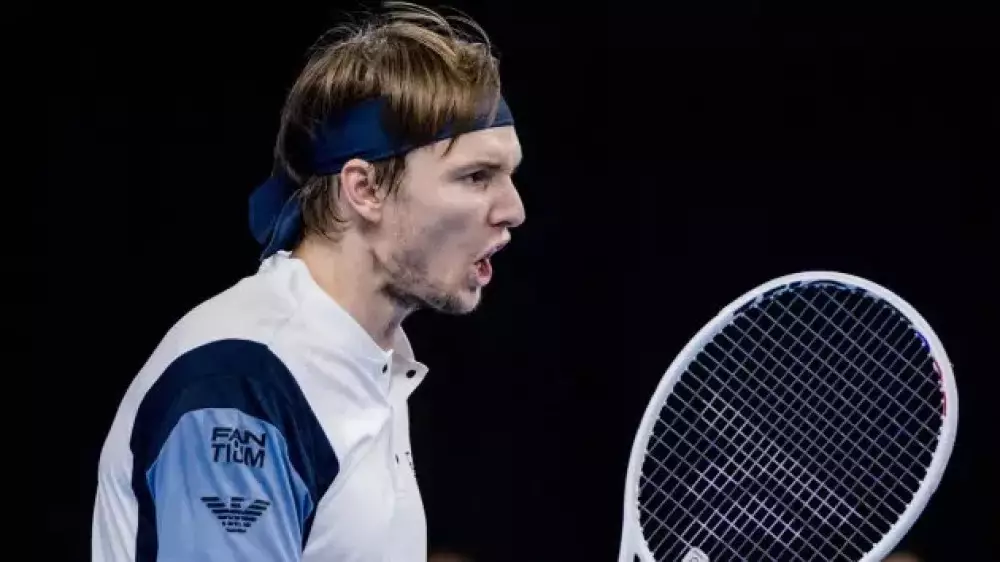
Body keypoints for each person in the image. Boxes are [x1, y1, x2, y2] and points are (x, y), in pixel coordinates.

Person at [90, 2, 525, 560]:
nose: (513, 209)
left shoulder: (365, 360)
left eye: (509, 175)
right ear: (364, 189)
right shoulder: (241, 385)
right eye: (477, 176)